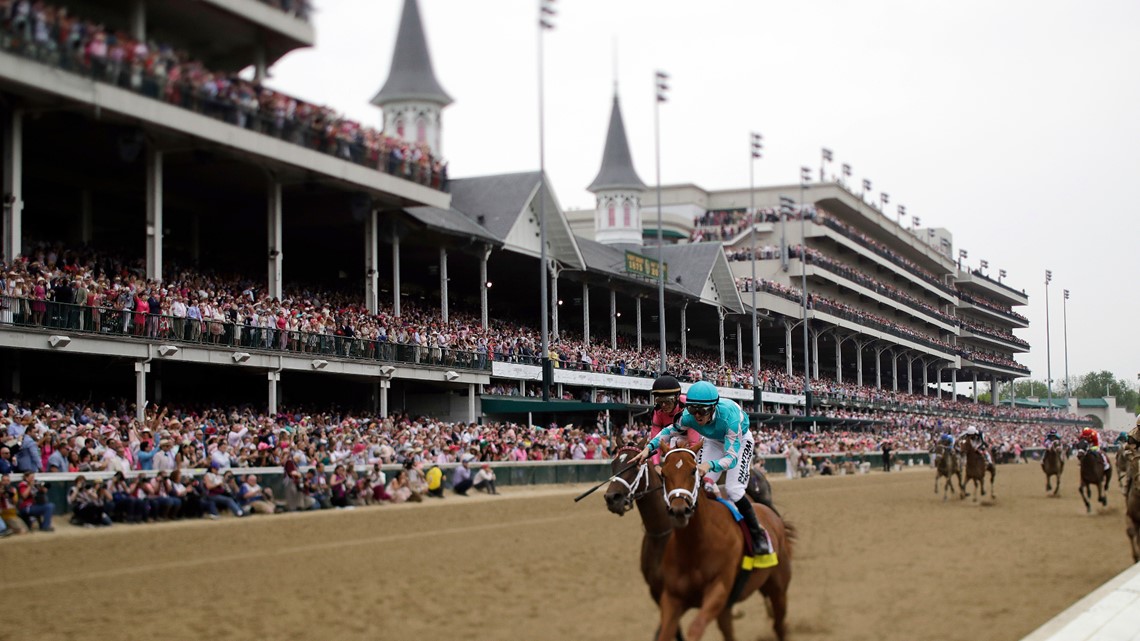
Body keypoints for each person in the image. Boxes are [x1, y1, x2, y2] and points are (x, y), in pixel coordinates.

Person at [634, 380, 776, 568]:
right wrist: (648, 449)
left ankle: (757, 534)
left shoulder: (730, 418)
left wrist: (709, 465)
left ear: (713, 408)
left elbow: (731, 459)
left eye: (702, 411)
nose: (697, 416)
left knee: (734, 490)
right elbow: (668, 431)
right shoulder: (688, 416)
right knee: (702, 483)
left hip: (738, 442)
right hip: (712, 440)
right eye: (693, 411)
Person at [648, 374, 700, 467]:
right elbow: (656, 440)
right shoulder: (657, 412)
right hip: (676, 437)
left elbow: (694, 442)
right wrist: (656, 465)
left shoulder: (687, 406)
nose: (663, 405)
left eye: (668, 401)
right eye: (659, 401)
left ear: (677, 398)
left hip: (698, 435)